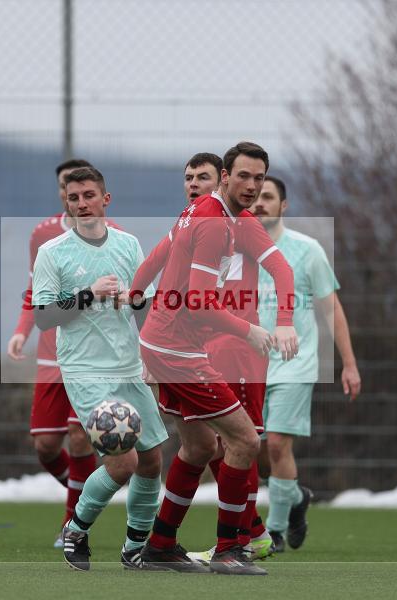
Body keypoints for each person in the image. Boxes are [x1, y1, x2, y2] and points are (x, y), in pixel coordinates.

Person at [132, 142, 297, 576]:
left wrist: (134, 295)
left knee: (200, 445)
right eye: (243, 176)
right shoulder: (212, 223)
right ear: (225, 176)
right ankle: (230, 550)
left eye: (259, 178)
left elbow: (162, 262)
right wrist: (254, 330)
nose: (252, 185)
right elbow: (201, 303)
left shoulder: (208, 214)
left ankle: (161, 545)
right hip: (180, 350)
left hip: (164, 342)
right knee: (245, 441)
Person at [32, 166, 169, 572]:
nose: (81, 203)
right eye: (73, 198)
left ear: (105, 200)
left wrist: (136, 301)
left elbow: (147, 303)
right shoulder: (53, 252)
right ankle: (76, 529)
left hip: (128, 366)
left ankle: (134, 547)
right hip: (85, 370)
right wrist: (89, 294)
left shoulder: (127, 245)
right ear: (66, 203)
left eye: (88, 195)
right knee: (122, 462)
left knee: (151, 460)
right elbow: (42, 317)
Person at [252, 175, 361, 552]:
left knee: (279, 446)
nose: (260, 202)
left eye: (268, 197)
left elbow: (330, 308)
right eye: (255, 197)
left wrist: (349, 363)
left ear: (283, 206)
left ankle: (276, 530)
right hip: (247, 367)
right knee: (254, 451)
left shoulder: (307, 249)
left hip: (293, 364)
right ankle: (296, 498)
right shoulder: (233, 253)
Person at [6, 159, 98, 547]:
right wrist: (20, 332)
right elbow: (34, 292)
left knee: (79, 437)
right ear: (61, 190)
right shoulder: (43, 235)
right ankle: (84, 493)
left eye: (81, 189)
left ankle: (73, 523)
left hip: (90, 357)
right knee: (45, 445)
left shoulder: (117, 238)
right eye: (66, 187)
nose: (71, 194)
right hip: (50, 357)